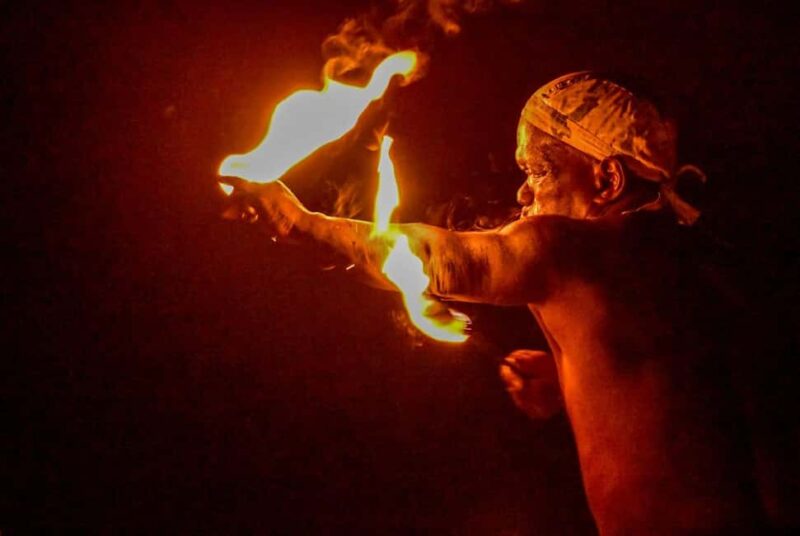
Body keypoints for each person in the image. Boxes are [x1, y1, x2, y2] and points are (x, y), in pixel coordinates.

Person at [223, 72, 770, 534]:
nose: (522, 194)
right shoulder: (677, 257)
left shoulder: (573, 249)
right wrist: (572, 378)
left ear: (606, 179)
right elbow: (674, 388)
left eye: (537, 171)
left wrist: (304, 224)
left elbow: (441, 262)